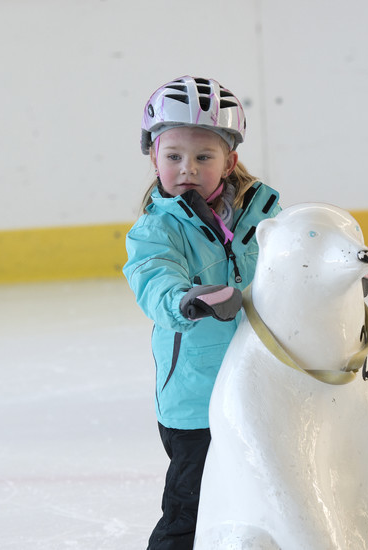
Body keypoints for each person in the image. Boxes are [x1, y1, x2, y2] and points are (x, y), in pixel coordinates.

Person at [123, 75, 281, 549]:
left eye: (203, 157)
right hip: (197, 402)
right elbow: (153, 275)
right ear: (154, 157)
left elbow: (300, 263)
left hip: (261, 389)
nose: (186, 168)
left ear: (229, 161)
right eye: (173, 156)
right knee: (188, 514)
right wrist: (184, 300)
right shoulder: (157, 228)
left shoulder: (264, 214)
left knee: (267, 501)